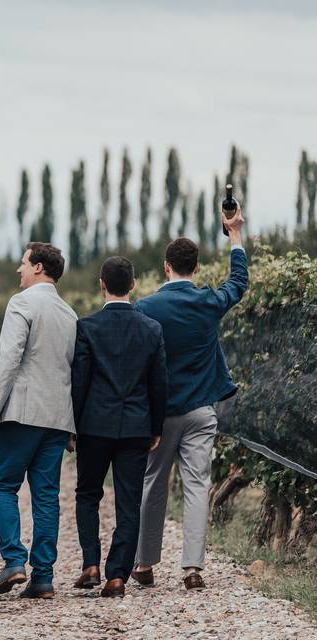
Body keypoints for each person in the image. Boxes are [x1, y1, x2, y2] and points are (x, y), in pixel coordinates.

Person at [133, 207, 248, 591]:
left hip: (161, 414)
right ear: (196, 268)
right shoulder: (208, 302)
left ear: (166, 267)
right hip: (201, 409)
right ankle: (192, 568)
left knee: (154, 482)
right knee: (198, 484)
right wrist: (234, 237)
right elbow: (239, 282)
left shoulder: (145, 308)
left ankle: (145, 564)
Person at [0, 242, 77, 600]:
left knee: (3, 485)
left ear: (38, 267)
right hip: (57, 417)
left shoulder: (21, 303)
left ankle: (13, 559)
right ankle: (43, 578)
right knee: (47, 496)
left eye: (22, 263)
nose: (18, 270)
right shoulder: (69, 313)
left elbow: (9, 358)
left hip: (21, 412)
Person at [71, 256, 168, 598]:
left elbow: (79, 381)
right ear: (133, 285)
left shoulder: (87, 327)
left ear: (101, 284)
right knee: (128, 502)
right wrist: (156, 426)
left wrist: (73, 424)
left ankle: (91, 564)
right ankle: (117, 575)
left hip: (94, 425)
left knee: (87, 494)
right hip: (136, 427)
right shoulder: (152, 329)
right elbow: (159, 385)